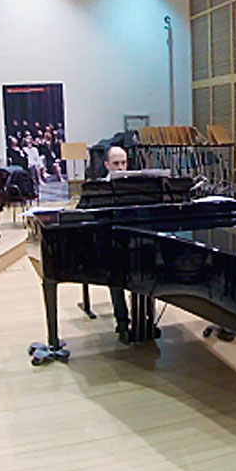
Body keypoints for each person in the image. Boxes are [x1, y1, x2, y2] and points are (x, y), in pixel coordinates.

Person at [105, 145, 130, 340]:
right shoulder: (100, 189)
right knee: (115, 274)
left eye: (124, 163)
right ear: (107, 165)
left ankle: (147, 317)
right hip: (109, 242)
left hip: (135, 240)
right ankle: (122, 321)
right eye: (116, 163)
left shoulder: (138, 186)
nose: (121, 168)